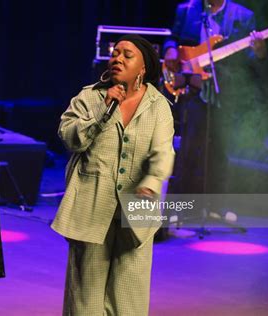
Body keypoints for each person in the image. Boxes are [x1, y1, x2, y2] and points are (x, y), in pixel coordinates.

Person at [51, 34, 175, 315]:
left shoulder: (159, 107)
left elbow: (163, 152)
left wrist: (152, 182)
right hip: (91, 206)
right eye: (115, 52)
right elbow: (70, 138)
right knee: (85, 301)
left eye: (127, 55)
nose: (117, 58)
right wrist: (104, 112)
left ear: (143, 67)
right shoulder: (90, 97)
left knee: (128, 300)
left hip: (138, 211)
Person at [163, 0, 268, 202]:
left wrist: (260, 52)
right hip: (193, 89)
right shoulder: (187, 9)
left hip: (225, 90)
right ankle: (180, 207)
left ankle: (215, 207)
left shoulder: (243, 16)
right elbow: (172, 38)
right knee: (188, 149)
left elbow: (250, 62)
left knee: (220, 151)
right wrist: (170, 49)